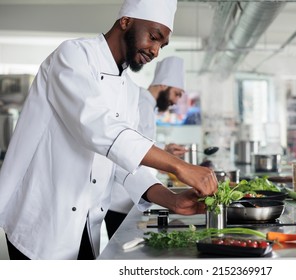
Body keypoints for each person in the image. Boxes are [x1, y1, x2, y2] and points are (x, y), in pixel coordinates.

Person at [0, 0, 217, 260]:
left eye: (162, 45)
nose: (156, 51)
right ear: (125, 21)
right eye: (154, 37)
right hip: (41, 222)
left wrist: (170, 198)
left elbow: (123, 163)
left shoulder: (127, 88)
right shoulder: (73, 55)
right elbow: (97, 127)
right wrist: (179, 166)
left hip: (86, 224)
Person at [105, 56, 188, 239]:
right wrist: (172, 163)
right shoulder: (142, 103)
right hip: (123, 196)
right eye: (177, 93)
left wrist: (165, 150)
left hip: (132, 194)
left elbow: (139, 142)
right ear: (164, 85)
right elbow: (129, 149)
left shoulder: (147, 106)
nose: (176, 101)